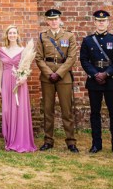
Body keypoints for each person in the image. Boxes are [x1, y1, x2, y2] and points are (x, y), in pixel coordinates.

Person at [79, 10, 113, 156]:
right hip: (94, 82)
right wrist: (95, 74)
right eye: (98, 21)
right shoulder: (87, 40)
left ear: (107, 22)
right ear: (94, 22)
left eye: (104, 21)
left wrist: (107, 73)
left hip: (110, 81)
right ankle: (96, 144)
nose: (101, 23)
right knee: (95, 113)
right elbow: (84, 60)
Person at [34, 9, 79, 153]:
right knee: (48, 110)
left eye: (56, 19)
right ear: (47, 21)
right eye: (51, 19)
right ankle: (48, 140)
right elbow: (39, 58)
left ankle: (71, 141)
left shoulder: (69, 36)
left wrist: (58, 73)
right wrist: (49, 73)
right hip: (47, 78)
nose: (54, 22)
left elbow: (72, 57)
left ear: (60, 20)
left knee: (67, 110)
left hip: (63, 77)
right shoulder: (42, 37)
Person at [0, 25, 37, 152]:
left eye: (14, 33)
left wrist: (24, 78)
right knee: (6, 111)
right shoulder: (2, 49)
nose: (12, 35)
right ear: (7, 35)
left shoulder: (23, 50)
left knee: (19, 110)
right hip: (6, 82)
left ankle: (20, 140)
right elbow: (1, 69)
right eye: (10, 33)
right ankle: (9, 139)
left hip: (19, 82)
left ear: (18, 35)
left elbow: (26, 66)